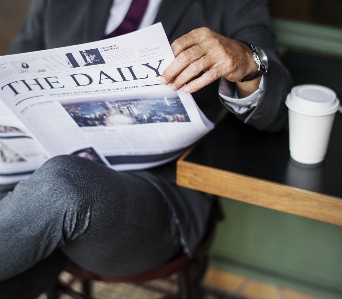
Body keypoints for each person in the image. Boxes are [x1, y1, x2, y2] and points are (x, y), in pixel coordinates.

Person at [0, 0, 293, 298]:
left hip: (152, 197)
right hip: (35, 186)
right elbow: (13, 77)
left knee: (61, 186)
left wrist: (246, 61)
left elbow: (278, 110)